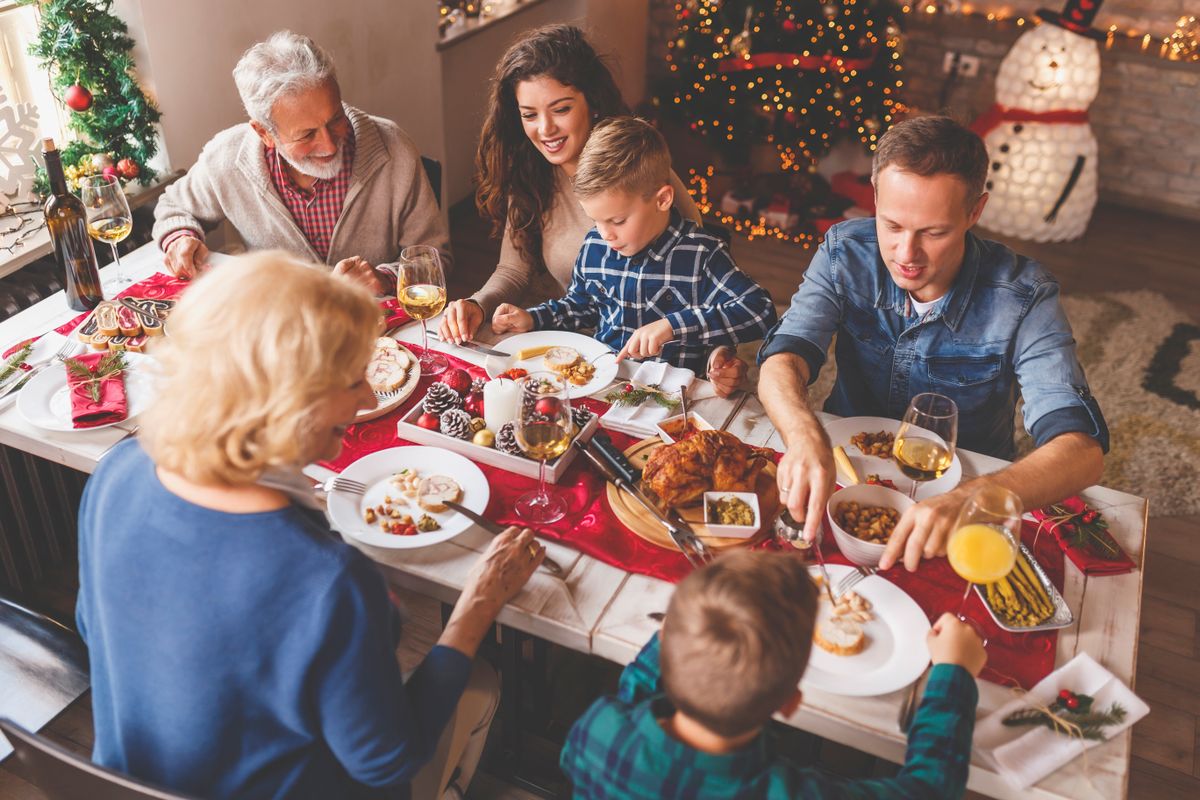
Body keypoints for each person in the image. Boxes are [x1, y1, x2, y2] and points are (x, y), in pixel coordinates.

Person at [76, 253, 538, 800]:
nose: (369, 397)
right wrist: (478, 605)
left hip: (132, 784)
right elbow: (387, 761)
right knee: (480, 682)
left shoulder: (117, 473)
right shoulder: (327, 580)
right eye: (352, 380)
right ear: (289, 404)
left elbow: (96, 627)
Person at [757, 115, 1108, 571]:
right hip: (842, 469)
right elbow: (782, 358)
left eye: (934, 233)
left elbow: (1081, 451)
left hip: (967, 495)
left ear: (974, 212)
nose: (906, 255)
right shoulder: (844, 251)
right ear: (876, 197)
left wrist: (972, 498)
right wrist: (805, 437)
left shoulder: (1025, 295)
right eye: (893, 226)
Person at [437, 24, 746, 395]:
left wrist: (719, 352)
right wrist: (478, 305)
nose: (545, 129)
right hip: (565, 349)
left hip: (648, 366)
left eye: (561, 109)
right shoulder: (530, 173)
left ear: (591, 101)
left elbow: (698, 278)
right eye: (529, 115)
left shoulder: (640, 171)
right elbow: (513, 270)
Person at [560, 550, 985, 798]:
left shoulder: (594, 731)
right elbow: (931, 787)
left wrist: (684, 627)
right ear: (791, 703)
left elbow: (635, 694)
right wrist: (952, 673)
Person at [151, 31, 449, 295]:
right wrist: (180, 238)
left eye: (335, 119)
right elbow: (174, 207)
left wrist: (385, 279)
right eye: (306, 135)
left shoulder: (394, 149)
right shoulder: (227, 156)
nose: (330, 144)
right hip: (280, 332)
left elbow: (437, 261)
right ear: (264, 133)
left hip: (375, 335)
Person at [491, 116, 777, 376]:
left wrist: (673, 326)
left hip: (675, 398)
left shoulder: (701, 254)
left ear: (662, 200)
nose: (605, 234)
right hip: (603, 381)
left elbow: (760, 310)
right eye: (596, 220)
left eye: (617, 220)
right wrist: (533, 318)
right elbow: (581, 306)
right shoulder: (595, 244)